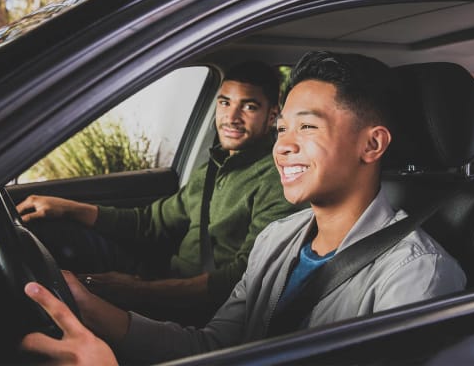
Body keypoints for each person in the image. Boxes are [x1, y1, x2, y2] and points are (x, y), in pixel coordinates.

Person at [20, 51, 466, 365]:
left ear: (372, 144)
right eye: (283, 128)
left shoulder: (416, 276)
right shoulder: (277, 238)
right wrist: (88, 304)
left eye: (307, 126)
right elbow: (213, 346)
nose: (284, 146)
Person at [16, 60, 302, 325]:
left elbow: (242, 277)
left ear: (271, 116)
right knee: (54, 231)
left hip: (200, 307)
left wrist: (137, 290)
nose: (232, 117)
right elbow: (151, 222)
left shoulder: (276, 178)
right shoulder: (213, 167)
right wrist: (68, 207)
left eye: (249, 107)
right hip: (164, 277)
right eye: (225, 103)